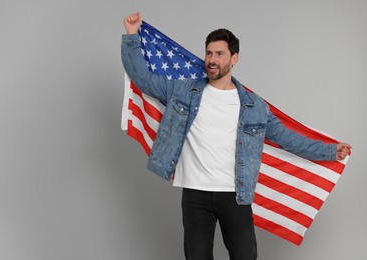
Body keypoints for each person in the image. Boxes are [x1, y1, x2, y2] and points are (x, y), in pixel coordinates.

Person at [121, 12, 351, 260]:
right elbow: (143, 79)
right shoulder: (184, 91)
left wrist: (329, 150)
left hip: (235, 196)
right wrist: (132, 35)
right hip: (195, 194)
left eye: (219, 54)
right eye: (209, 53)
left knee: (245, 257)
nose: (212, 59)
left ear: (234, 58)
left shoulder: (254, 106)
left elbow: (288, 139)